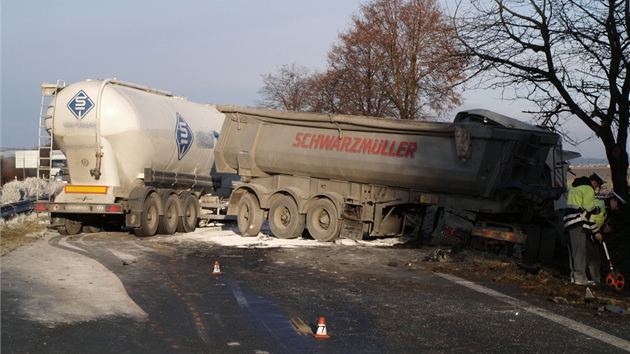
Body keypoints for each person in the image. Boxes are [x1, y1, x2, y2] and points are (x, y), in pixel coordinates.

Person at [563, 172, 605, 285]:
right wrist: (598, 210)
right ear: (594, 182)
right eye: (597, 186)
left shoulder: (574, 186)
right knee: (580, 251)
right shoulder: (588, 188)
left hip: (568, 221)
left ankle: (574, 277)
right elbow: (589, 208)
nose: (596, 189)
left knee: (573, 251)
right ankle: (580, 278)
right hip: (578, 222)